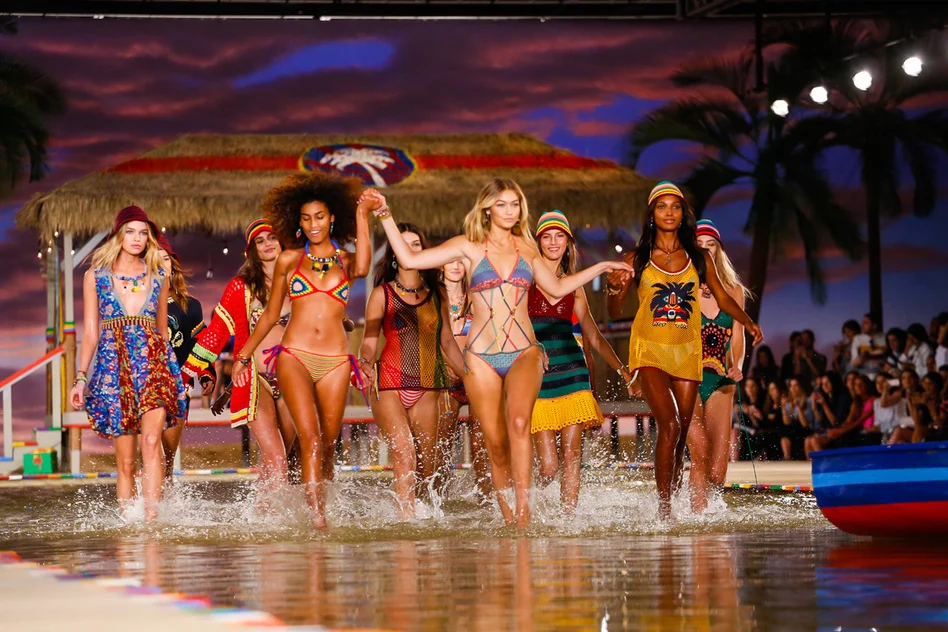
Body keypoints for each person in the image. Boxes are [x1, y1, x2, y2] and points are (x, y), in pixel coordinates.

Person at [370, 178, 631, 527]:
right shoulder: (468, 246)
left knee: (520, 423)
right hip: (481, 357)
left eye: (515, 204)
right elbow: (408, 257)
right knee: (494, 442)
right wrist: (384, 213)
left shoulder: (527, 248)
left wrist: (599, 268)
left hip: (524, 351)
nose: (510, 211)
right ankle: (509, 515)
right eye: (503, 204)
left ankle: (523, 514)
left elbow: (554, 290)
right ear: (487, 208)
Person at [606, 182, 763, 518]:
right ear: (652, 214)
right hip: (649, 351)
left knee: (677, 440)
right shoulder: (636, 258)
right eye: (661, 207)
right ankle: (664, 511)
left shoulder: (698, 256)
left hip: (687, 353)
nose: (668, 213)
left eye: (675, 207)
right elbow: (615, 311)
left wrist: (748, 323)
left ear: (683, 214)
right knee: (672, 425)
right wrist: (613, 289)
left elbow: (722, 299)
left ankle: (672, 500)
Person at [233, 173, 372, 528]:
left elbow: (365, 267)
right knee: (309, 435)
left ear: (332, 218)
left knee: (326, 443)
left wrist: (364, 214)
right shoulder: (289, 261)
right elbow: (269, 315)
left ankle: (318, 499)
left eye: (320, 216)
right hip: (294, 354)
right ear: (299, 222)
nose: (313, 224)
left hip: (337, 361)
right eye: (307, 218)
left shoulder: (347, 260)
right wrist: (244, 355)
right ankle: (318, 519)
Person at [68, 206, 187, 520]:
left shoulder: (158, 275)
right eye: (130, 231)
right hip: (114, 369)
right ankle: (128, 524)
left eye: (143, 232)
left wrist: (175, 377)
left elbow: (161, 331)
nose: (137, 238)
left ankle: (151, 521)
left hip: (154, 366)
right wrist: (81, 377)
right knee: (126, 462)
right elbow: (91, 333)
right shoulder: (95, 277)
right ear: (118, 235)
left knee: (151, 442)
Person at [183, 219, 299, 494]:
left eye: (272, 237)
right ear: (252, 250)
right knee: (277, 457)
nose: (268, 244)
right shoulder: (241, 287)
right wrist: (187, 372)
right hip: (255, 378)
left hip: (295, 375)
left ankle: (260, 517)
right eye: (260, 241)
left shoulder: (301, 281)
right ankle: (275, 527)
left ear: (283, 242)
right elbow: (217, 333)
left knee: (293, 461)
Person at [357, 223, 465, 518]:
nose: (409, 249)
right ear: (393, 253)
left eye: (416, 244)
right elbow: (369, 340)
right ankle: (407, 525)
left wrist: (469, 375)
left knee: (427, 465)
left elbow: (448, 342)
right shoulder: (382, 294)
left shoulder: (438, 294)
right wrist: (365, 364)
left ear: (424, 252)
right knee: (405, 457)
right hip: (388, 384)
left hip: (429, 384)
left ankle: (422, 520)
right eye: (403, 244)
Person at [528, 210, 632, 513]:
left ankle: (568, 518)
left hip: (574, 374)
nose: (553, 242)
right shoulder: (526, 282)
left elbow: (595, 338)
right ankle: (527, 507)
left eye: (559, 236)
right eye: (546, 236)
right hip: (538, 377)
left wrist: (624, 372)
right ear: (538, 242)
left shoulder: (575, 286)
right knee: (548, 466)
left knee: (572, 455)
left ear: (568, 243)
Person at [685, 219, 749, 510]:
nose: (706, 251)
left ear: (719, 249)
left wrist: (737, 364)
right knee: (698, 455)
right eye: (700, 246)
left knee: (717, 471)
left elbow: (738, 334)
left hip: (722, 379)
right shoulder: (683, 288)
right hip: (688, 378)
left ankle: (709, 515)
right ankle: (698, 525)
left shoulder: (734, 290)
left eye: (711, 245)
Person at [156, 234, 215, 481]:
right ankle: (145, 506)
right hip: (145, 383)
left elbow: (198, 343)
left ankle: (164, 505)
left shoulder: (190, 306)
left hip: (179, 385)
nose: (160, 264)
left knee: (167, 455)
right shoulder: (137, 305)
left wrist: (205, 372)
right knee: (150, 449)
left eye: (165, 259)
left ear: (173, 265)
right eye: (153, 259)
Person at [439, 258, 491, 501]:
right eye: (451, 261)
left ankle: (485, 499)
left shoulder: (478, 297)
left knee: (482, 444)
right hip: (445, 380)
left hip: (477, 378)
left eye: (461, 261)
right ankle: (436, 500)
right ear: (441, 265)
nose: (456, 266)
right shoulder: (433, 298)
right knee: (441, 445)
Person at [805, 374, 878, 454]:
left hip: (865, 432)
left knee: (816, 440)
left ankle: (824, 465)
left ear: (867, 385)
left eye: (861, 384)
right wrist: (837, 430)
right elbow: (848, 422)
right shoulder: (855, 403)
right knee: (808, 440)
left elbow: (859, 421)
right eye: (856, 384)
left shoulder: (873, 400)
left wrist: (839, 431)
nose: (858, 387)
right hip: (849, 431)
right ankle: (813, 466)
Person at [868, 372, 914, 445]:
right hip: (887, 435)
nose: (880, 385)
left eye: (883, 382)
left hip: (903, 429)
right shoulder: (876, 402)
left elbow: (884, 404)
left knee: (900, 442)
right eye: (877, 383)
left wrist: (886, 389)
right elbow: (878, 425)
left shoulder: (897, 394)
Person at [779, 377, 814, 460]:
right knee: (784, 434)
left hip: (807, 430)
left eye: (796, 385)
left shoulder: (808, 401)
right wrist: (783, 407)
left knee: (792, 431)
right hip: (795, 431)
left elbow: (805, 424)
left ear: (801, 387)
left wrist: (798, 407)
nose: (793, 388)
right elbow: (787, 423)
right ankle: (787, 459)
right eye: (791, 386)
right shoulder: (789, 403)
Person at [851, 312, 887, 378]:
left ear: (874, 325)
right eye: (862, 322)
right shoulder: (857, 339)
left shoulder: (884, 338)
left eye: (866, 323)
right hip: (864, 375)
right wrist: (862, 357)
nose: (862, 325)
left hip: (881, 374)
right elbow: (854, 362)